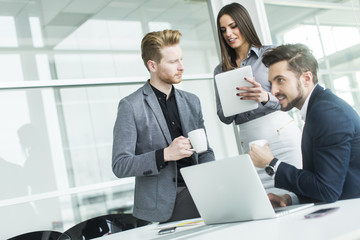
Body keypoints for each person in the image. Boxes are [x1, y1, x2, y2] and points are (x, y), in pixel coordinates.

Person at [112, 29, 215, 223]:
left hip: (199, 191)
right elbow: (120, 165)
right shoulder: (131, 106)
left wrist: (211, 181)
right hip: (165, 203)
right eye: (173, 62)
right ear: (152, 65)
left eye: (181, 59)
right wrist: (165, 155)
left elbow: (205, 151)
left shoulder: (192, 101)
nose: (181, 67)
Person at [249, 43, 360, 206]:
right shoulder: (320, 107)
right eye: (271, 83)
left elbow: (327, 190)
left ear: (306, 78)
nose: (273, 91)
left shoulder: (327, 113)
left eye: (280, 80)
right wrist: (290, 199)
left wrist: (271, 163)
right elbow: (325, 181)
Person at [213, 2, 302, 195]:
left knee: (296, 194)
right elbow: (223, 116)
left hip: (282, 137)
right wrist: (232, 104)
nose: (228, 33)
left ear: (244, 24)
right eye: (223, 29)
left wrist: (265, 96)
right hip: (251, 144)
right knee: (267, 203)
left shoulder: (272, 55)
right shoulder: (221, 70)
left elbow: (292, 97)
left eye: (233, 26)